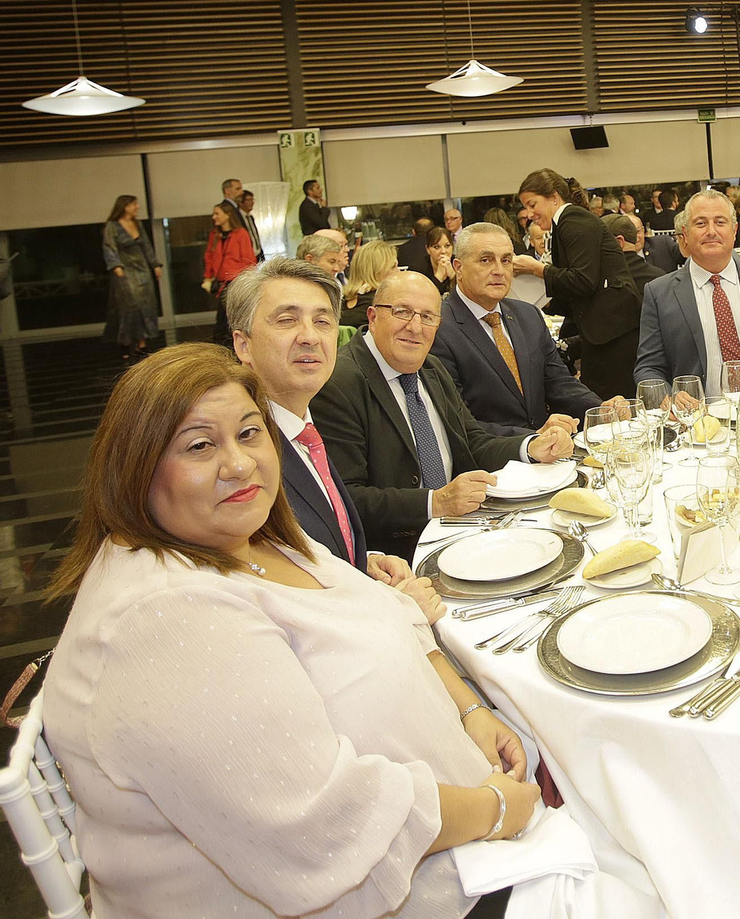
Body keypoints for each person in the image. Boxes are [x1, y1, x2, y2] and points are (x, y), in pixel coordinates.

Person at [39, 343, 550, 919]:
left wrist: (468, 712)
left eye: (250, 433)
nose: (238, 463)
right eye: (200, 445)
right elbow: (322, 826)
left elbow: (387, 615)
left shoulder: (254, 537)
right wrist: (496, 809)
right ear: (135, 465)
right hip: (406, 886)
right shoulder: (165, 619)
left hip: (453, 830)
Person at [225, 258, 440, 621]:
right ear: (243, 345)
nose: (309, 336)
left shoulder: (303, 430)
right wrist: (396, 612)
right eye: (287, 319)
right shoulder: (241, 457)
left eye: (322, 321)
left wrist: (358, 560)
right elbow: (266, 600)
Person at [312, 271, 573, 555]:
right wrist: (435, 502)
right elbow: (343, 498)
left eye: (427, 317)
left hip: (465, 529)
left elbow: (471, 440)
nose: (415, 327)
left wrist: (531, 446)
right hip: (398, 555)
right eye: (402, 312)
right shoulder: (337, 384)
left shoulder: (431, 368)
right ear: (373, 317)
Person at [432, 222, 603, 438]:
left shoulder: (528, 315)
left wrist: (601, 410)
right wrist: (529, 441)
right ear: (458, 267)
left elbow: (558, 381)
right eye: (486, 260)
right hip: (488, 463)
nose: (499, 271)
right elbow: (458, 420)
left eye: (506, 260)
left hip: (547, 456)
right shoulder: (438, 328)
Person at [634, 190, 740, 396]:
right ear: (685, 235)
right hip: (698, 419)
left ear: (734, 230)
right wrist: (670, 398)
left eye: (720, 222)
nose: (711, 231)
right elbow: (649, 368)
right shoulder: (659, 293)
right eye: (701, 223)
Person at [516, 169, 643, 399]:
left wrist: (537, 270)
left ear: (554, 197)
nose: (529, 213)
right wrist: (542, 302)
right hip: (603, 331)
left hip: (614, 332)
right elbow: (578, 287)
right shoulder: (565, 223)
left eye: (533, 204)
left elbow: (583, 280)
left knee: (614, 403)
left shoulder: (572, 218)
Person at [101, 194, 162, 361]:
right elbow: (109, 247)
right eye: (134, 204)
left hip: (141, 267)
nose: (137, 207)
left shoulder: (137, 224)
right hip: (125, 269)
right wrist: (116, 265)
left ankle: (142, 342)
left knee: (146, 304)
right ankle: (125, 341)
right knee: (130, 305)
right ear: (125, 206)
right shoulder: (112, 226)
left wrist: (155, 264)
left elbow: (146, 246)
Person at [202, 201, 255, 346]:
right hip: (221, 282)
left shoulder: (240, 234)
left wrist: (246, 282)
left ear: (227, 215)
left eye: (217, 213)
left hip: (235, 282)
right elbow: (209, 256)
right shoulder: (215, 235)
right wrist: (208, 276)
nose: (214, 217)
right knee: (223, 321)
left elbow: (249, 259)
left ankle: (227, 350)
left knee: (225, 321)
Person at [341, 238, 397, 329]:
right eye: (393, 267)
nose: (398, 271)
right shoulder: (383, 306)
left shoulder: (339, 305)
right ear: (377, 271)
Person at [423, 226, 457, 294]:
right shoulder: (419, 269)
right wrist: (438, 277)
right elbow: (424, 297)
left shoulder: (459, 263)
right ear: (428, 249)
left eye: (447, 246)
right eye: (437, 247)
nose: (443, 251)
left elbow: (467, 293)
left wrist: (452, 275)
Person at [238, 189, 264, 263]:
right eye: (248, 200)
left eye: (252, 200)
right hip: (247, 255)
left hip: (257, 254)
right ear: (241, 202)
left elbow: (255, 235)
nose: (252, 203)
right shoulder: (238, 218)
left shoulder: (250, 217)